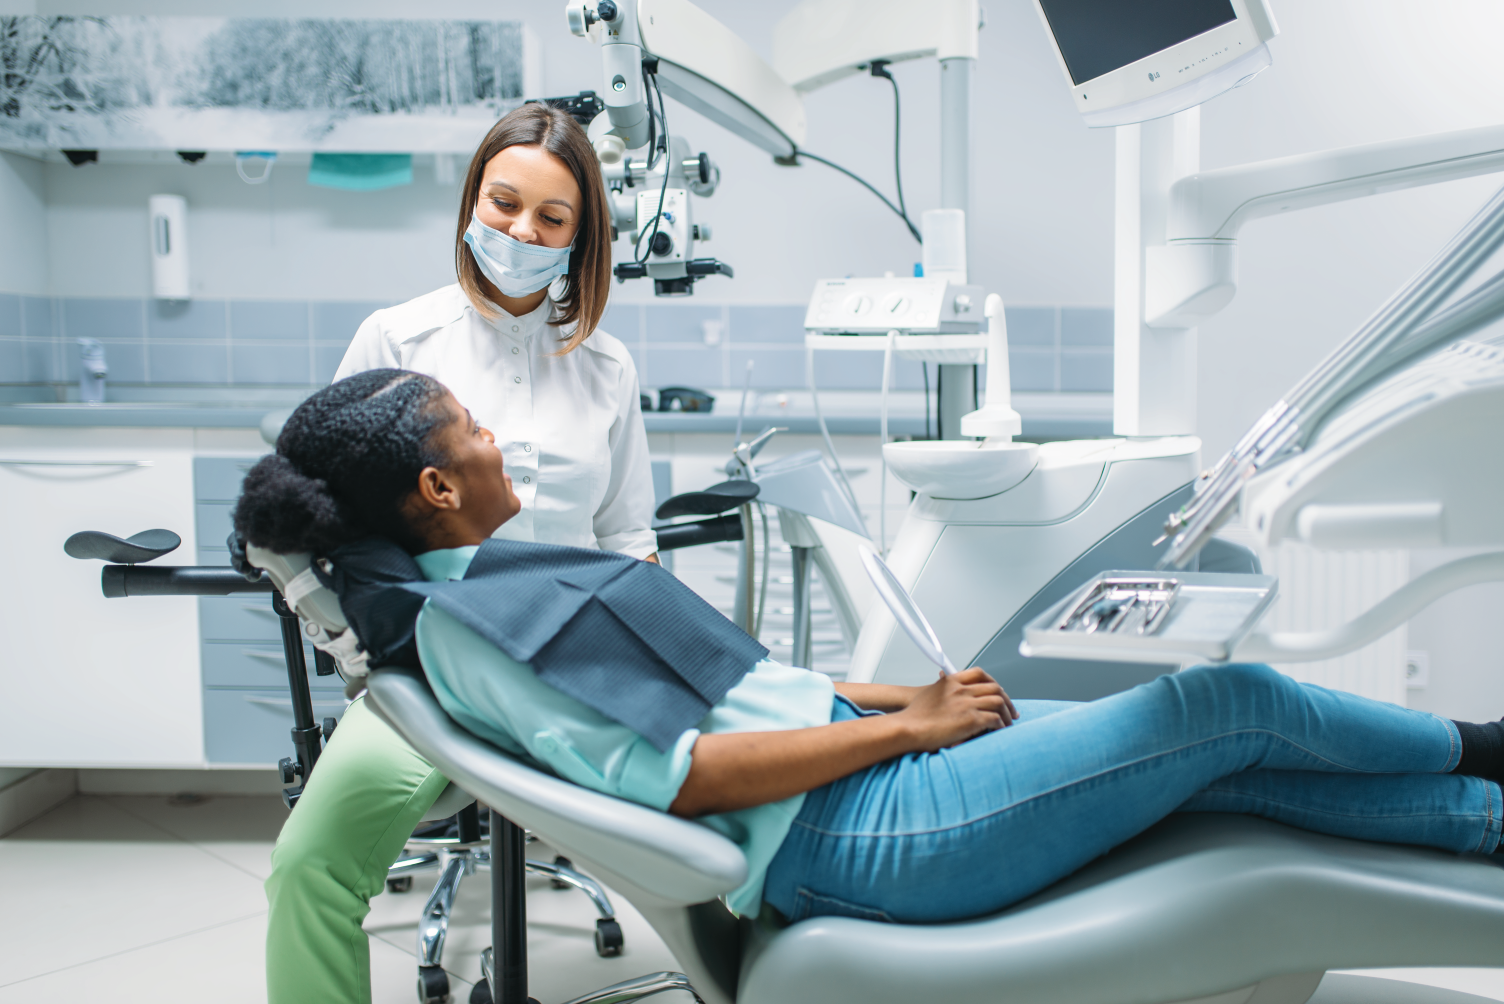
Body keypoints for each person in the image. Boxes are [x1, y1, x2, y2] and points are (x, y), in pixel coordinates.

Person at [239, 369, 1504, 938]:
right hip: (857, 842)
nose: (498, 438)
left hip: (865, 795)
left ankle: (1480, 818)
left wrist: (904, 691)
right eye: (472, 432)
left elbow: (732, 691)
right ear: (434, 487)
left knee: (1217, 770)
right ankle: (1485, 751)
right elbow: (677, 775)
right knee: (1218, 705)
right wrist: (910, 728)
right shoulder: (472, 630)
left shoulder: (495, 575)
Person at [264, 103, 657, 1004]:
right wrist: (375, 651)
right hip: (427, 670)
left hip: (575, 666)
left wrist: (651, 634)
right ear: (473, 201)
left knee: (737, 823)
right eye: (502, 203)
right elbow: (323, 527)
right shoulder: (397, 342)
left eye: (550, 219)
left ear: (580, 236)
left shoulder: (606, 368)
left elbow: (628, 536)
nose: (520, 231)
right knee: (308, 866)